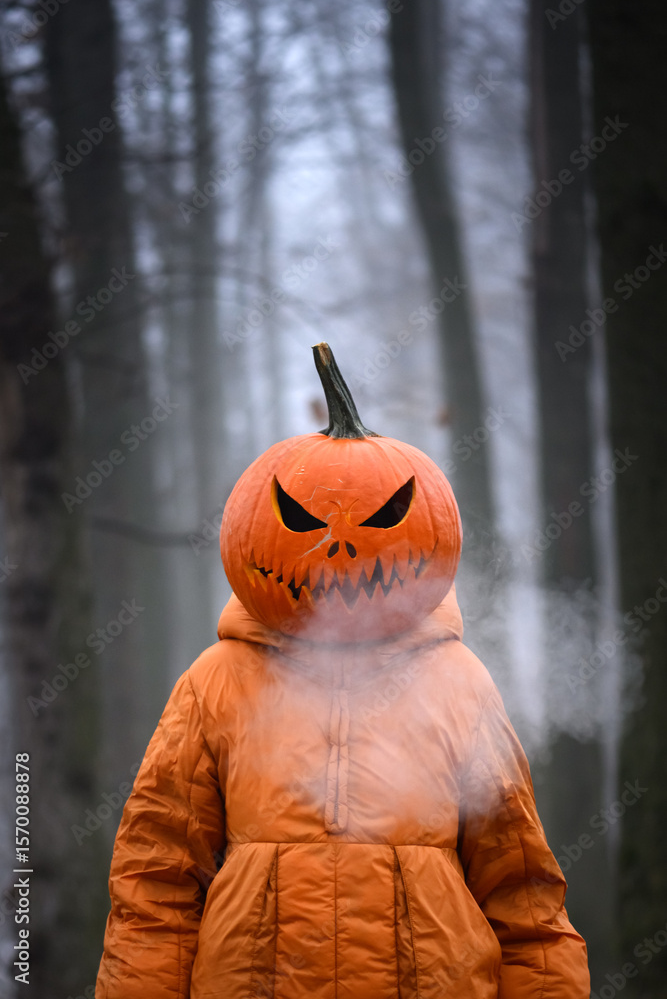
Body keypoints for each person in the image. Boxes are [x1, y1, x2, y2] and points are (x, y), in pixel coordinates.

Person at [95, 345, 590, 998]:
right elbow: (155, 889)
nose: (343, 546)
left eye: (385, 517)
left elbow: (524, 901)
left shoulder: (459, 686)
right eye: (301, 520)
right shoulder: (214, 684)